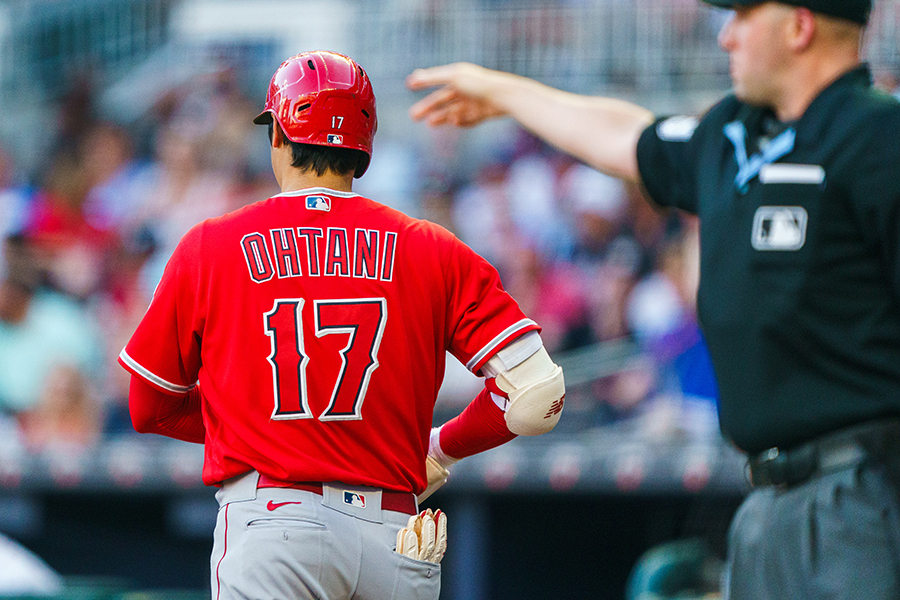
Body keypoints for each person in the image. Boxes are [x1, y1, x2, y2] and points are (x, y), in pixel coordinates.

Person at [407, 0, 900, 598]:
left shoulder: (881, 138)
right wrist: (506, 92)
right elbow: (626, 134)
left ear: (799, 26)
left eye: (743, 17)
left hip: (865, 493)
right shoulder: (737, 135)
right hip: (767, 503)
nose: (727, 38)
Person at [119, 50, 566, 600]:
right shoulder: (431, 247)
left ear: (279, 136)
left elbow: (149, 405)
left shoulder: (211, 244)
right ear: (363, 148)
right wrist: (439, 450)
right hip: (395, 535)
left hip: (274, 522)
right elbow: (538, 394)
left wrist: (248, 421)